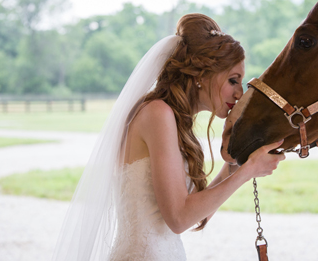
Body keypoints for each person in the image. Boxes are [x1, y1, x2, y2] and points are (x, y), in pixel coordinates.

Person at [52, 13, 285, 261]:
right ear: (201, 75)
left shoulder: (176, 121)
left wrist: (234, 164)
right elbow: (178, 218)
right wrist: (248, 171)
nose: (239, 93)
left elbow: (196, 215)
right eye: (233, 80)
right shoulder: (157, 113)